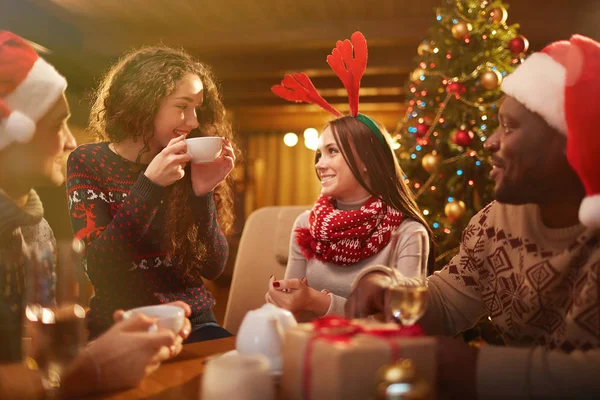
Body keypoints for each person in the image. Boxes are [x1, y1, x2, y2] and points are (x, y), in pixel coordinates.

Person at [346, 35, 600, 399]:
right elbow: (448, 303)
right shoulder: (494, 222)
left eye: (510, 128)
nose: (490, 141)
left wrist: (473, 367)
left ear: (571, 143)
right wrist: (392, 291)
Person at [0, 31, 190, 398]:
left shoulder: (34, 230)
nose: (72, 142)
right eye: (57, 125)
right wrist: (91, 367)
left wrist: (116, 340)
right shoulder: (89, 169)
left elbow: (29, 355)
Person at [66, 45, 236, 342]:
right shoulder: (88, 161)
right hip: (120, 325)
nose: (194, 121)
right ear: (143, 103)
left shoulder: (188, 161)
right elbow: (99, 266)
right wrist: (150, 185)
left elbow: (214, 267)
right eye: (183, 106)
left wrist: (203, 193)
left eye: (196, 108)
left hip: (194, 322)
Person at [264, 32, 433, 319]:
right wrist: (281, 299)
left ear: (365, 160)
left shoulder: (408, 234)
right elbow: (287, 313)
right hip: (307, 351)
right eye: (319, 154)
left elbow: (401, 320)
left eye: (332, 151)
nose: (319, 164)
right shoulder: (305, 225)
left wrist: (319, 303)